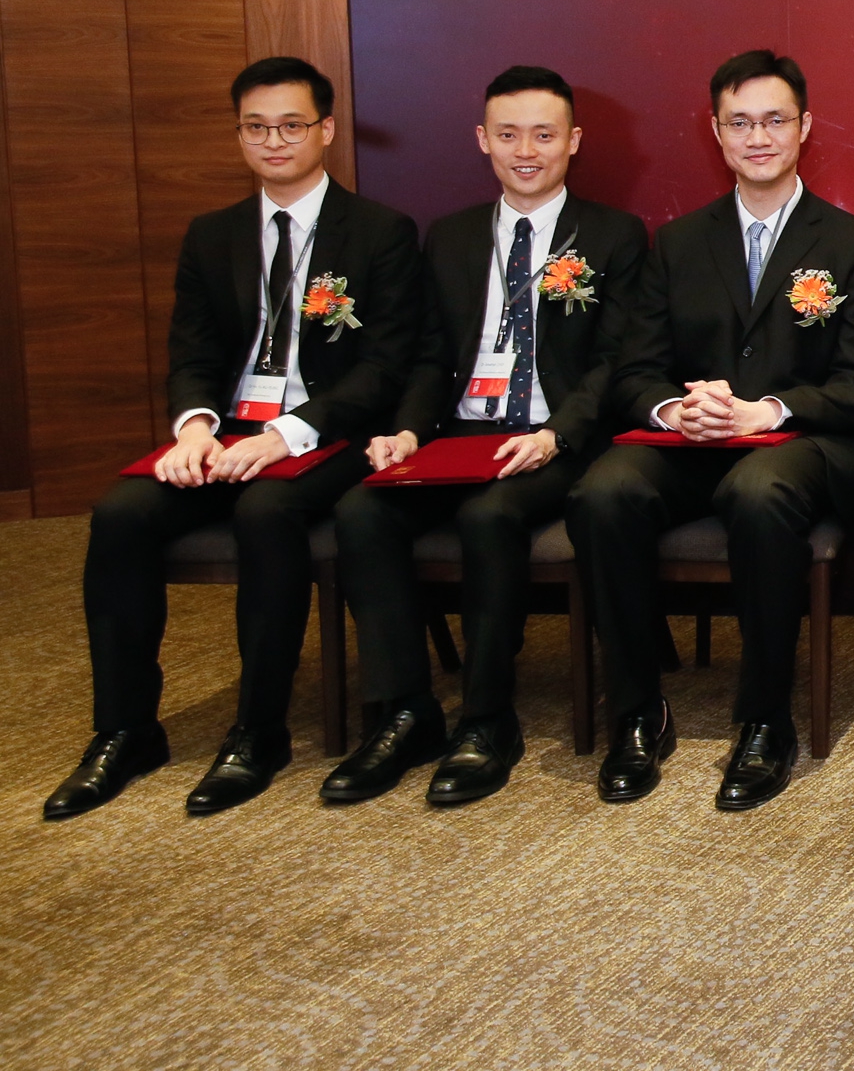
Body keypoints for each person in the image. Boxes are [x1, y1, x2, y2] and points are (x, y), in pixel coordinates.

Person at [45, 58, 422, 820]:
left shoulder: (380, 232)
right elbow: (193, 354)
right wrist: (192, 427)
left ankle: (257, 731)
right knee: (120, 514)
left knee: (265, 514)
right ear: (239, 135)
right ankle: (123, 730)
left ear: (326, 130)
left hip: (325, 434)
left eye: (291, 125)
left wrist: (285, 435)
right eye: (257, 127)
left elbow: (383, 369)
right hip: (226, 434)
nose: (274, 141)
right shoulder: (212, 235)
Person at [566, 50, 854, 811]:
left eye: (775, 120)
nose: (758, 136)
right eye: (740, 122)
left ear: (805, 127)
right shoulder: (678, 244)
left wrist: (766, 411)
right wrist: (676, 410)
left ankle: (764, 719)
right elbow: (635, 371)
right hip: (691, 442)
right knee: (603, 491)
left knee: (759, 489)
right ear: (716, 132)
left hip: (801, 447)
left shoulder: (853, 245)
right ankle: (639, 711)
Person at [322, 66, 647, 806]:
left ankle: (486, 720)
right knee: (360, 511)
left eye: (542, 134)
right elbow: (433, 354)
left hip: (554, 441)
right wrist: (405, 430)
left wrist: (556, 435)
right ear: (483, 141)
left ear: (573, 140)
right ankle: (406, 712)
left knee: (490, 515)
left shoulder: (613, 235)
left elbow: (614, 364)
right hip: (461, 432)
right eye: (507, 135)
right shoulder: (453, 236)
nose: (525, 150)